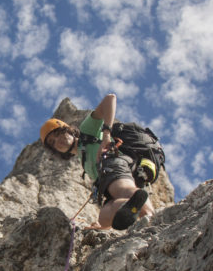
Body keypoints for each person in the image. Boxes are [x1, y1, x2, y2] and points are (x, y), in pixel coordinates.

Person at [40, 93, 154, 230]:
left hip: (114, 164)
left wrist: (106, 134)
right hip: (107, 181)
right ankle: (131, 206)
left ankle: (150, 218)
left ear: (69, 130)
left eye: (59, 133)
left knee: (122, 189)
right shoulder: (83, 159)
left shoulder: (86, 130)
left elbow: (110, 98)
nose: (58, 141)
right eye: (53, 142)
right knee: (105, 216)